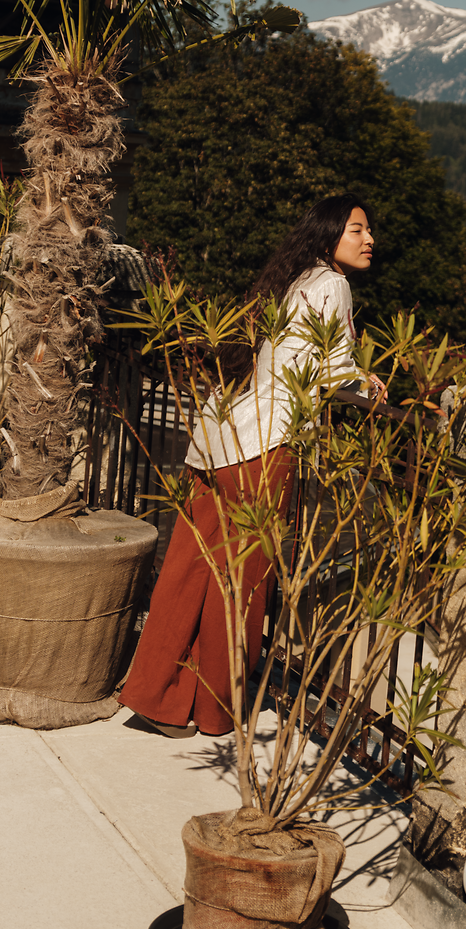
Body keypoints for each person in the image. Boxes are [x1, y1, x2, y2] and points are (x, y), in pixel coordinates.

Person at [119, 195, 382, 739]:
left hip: (224, 433)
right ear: (331, 234)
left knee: (191, 569)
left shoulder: (295, 280)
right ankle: (214, 709)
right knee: (241, 581)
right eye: (356, 229)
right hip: (265, 446)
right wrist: (365, 383)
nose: (368, 238)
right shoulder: (333, 284)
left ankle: (159, 696)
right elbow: (327, 369)